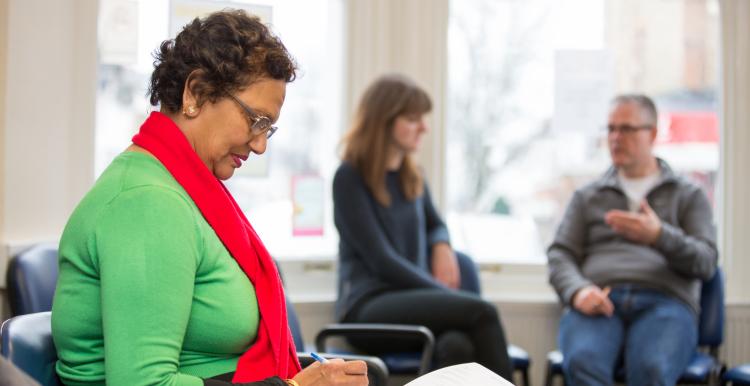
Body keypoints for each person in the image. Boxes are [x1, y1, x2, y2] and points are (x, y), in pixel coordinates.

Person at [51, 10, 367, 386]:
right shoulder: (147, 203)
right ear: (196, 92)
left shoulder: (184, 188)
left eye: (269, 127)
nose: (261, 144)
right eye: (256, 120)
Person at [333, 74, 514, 380]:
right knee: (483, 312)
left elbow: (436, 224)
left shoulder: (412, 174)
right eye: (413, 119)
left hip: (412, 301)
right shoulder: (349, 177)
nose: (424, 127)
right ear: (384, 120)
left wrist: (441, 244)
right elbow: (382, 260)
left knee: (457, 345)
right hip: (369, 306)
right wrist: (442, 292)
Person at [547, 94, 718, 386]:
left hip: (666, 303)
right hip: (599, 301)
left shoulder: (688, 195)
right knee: (584, 362)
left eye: (626, 129)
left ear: (652, 133)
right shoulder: (588, 196)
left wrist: (659, 236)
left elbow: (706, 263)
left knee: (651, 367)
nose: (615, 138)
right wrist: (578, 291)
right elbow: (560, 255)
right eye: (611, 129)